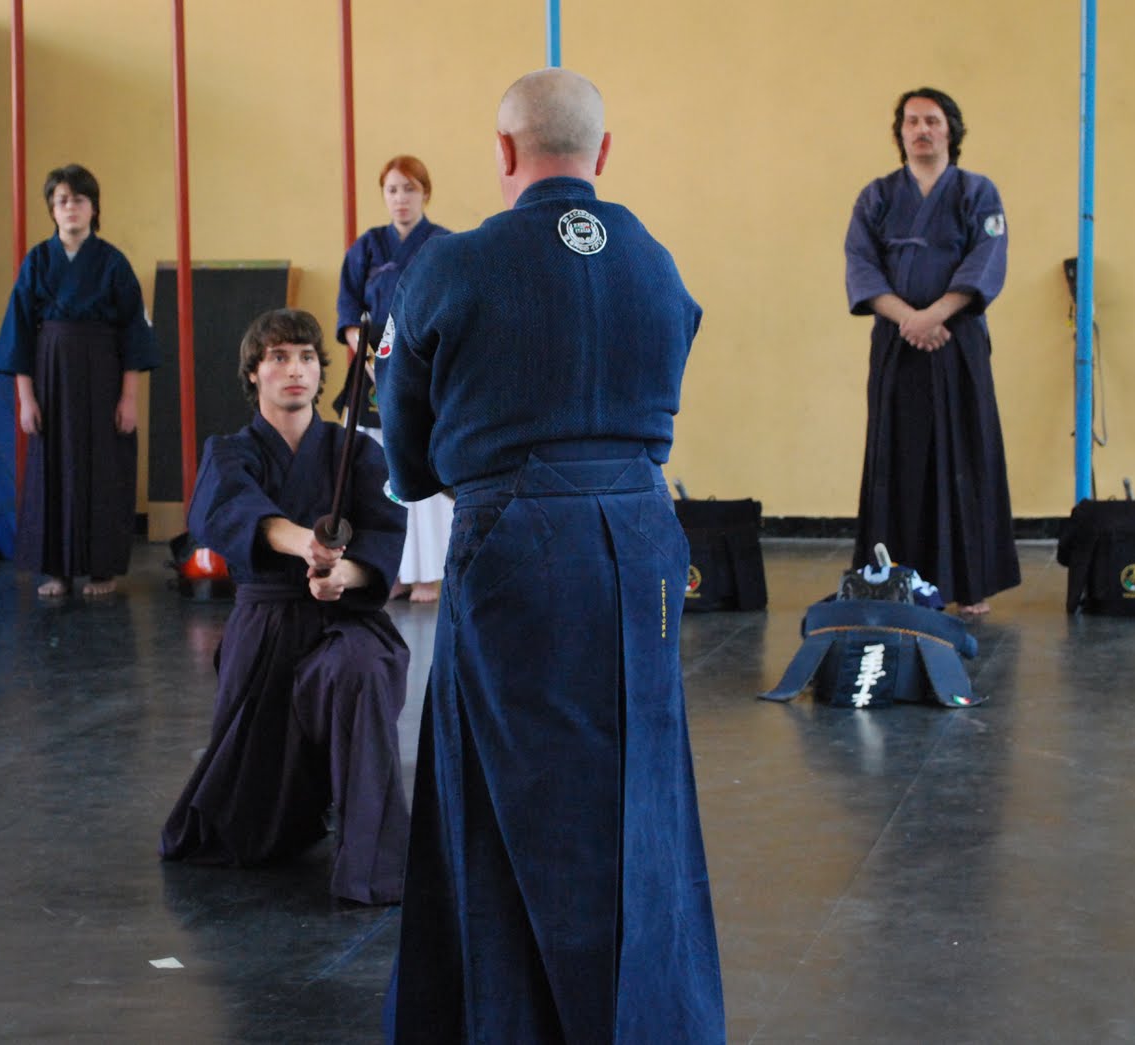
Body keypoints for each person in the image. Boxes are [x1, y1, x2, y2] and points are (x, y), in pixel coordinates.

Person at [377, 68, 725, 1041]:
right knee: (641, 782)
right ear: (602, 154)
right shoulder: (655, 263)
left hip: (518, 541)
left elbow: (406, 460)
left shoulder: (453, 268)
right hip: (645, 539)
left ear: (501, 154)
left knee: (500, 792)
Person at [159, 308, 410, 905]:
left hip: (343, 618)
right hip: (266, 624)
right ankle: (300, 809)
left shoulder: (358, 453)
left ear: (321, 375)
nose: (293, 369)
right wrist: (309, 546)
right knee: (246, 830)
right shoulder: (230, 452)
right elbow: (232, 511)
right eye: (277, 357)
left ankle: (372, 863)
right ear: (254, 374)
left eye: (304, 357)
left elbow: (383, 532)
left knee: (362, 670)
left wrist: (341, 574)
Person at [844, 87, 1020, 616]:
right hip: (898, 341)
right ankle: (894, 579)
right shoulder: (876, 196)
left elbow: (988, 255)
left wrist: (938, 314)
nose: (922, 130)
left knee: (965, 452)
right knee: (895, 454)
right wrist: (910, 319)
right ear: (900, 133)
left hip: (957, 338)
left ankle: (969, 585)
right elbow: (861, 264)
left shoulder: (977, 192)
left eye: (933, 121)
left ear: (952, 131)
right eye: (912, 121)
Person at [0, 164, 156, 598]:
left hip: (103, 374)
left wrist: (129, 397)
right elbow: (20, 334)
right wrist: (26, 400)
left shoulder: (113, 263)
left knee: (104, 467)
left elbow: (134, 335)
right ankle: (57, 570)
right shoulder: (38, 261)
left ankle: (102, 570)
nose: (71, 208)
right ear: (52, 208)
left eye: (79, 200)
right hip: (50, 375)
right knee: (52, 467)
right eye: (62, 200)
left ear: (94, 208)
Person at [335, 155, 453, 603]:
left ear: (425, 192)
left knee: (425, 464)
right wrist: (368, 356)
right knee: (380, 470)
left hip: (424, 369)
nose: (400, 198)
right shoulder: (366, 248)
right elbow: (348, 310)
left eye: (409, 188)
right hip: (371, 370)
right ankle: (392, 569)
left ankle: (430, 574)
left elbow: (453, 309)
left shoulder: (444, 245)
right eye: (392, 190)